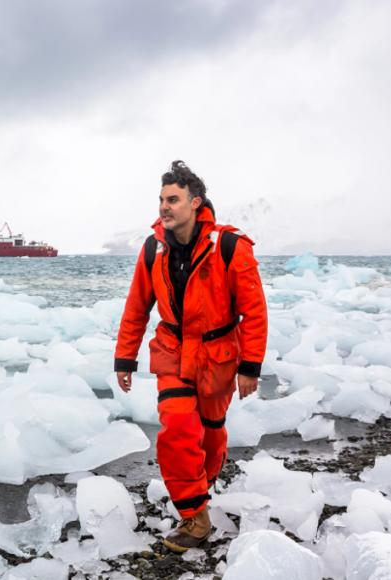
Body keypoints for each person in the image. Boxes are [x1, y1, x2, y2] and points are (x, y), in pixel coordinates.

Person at [114, 160, 268, 552]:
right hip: (171, 350)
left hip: (217, 356)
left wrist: (250, 366)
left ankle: (203, 482)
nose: (164, 207)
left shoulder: (231, 247)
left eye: (173, 199)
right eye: (162, 200)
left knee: (211, 434)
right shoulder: (153, 248)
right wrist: (124, 358)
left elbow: (254, 311)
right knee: (178, 429)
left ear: (195, 202)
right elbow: (137, 308)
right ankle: (195, 516)